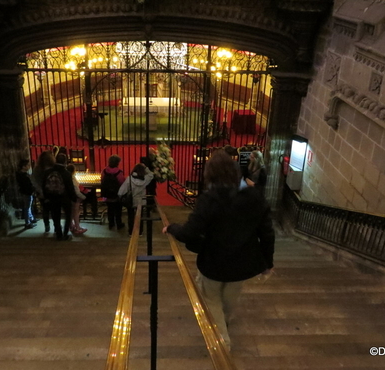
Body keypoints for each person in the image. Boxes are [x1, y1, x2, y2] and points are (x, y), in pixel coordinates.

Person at [162, 149, 275, 349]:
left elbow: (190, 232)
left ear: (210, 174)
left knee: (211, 300)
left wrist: (171, 228)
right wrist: (268, 263)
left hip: (213, 262)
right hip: (242, 264)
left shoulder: (210, 199)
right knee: (230, 299)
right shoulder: (254, 197)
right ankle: (224, 324)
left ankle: (222, 343)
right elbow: (267, 233)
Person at [42, 153, 76, 240]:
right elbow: (70, 187)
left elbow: (44, 185)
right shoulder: (67, 173)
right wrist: (73, 198)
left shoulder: (47, 172)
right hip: (65, 197)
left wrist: (46, 197)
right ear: (65, 161)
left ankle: (58, 233)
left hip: (52, 197)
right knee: (68, 215)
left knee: (55, 216)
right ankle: (65, 233)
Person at [118, 163, 154, 236]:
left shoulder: (129, 179)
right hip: (141, 201)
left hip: (131, 201)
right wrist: (145, 167)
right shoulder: (145, 179)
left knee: (131, 216)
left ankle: (131, 231)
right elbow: (151, 175)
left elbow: (121, 192)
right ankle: (140, 232)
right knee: (140, 216)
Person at [32, 150, 56, 233]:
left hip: (41, 193)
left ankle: (47, 225)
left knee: (45, 209)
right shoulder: (53, 168)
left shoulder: (37, 169)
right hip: (52, 192)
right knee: (54, 210)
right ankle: (56, 226)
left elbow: (34, 181)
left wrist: (40, 191)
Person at [100, 155, 126, 230]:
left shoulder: (104, 171)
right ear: (117, 163)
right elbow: (122, 182)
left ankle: (111, 224)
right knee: (118, 210)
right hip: (116, 195)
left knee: (110, 209)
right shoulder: (119, 172)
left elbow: (102, 180)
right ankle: (119, 224)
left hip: (107, 195)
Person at [66, 163, 87, 235]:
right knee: (76, 212)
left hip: (69, 197)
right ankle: (77, 228)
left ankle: (71, 226)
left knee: (71, 212)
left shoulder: (67, 178)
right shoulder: (72, 179)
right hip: (75, 198)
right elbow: (76, 191)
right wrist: (84, 197)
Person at [15, 159, 36, 229]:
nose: (29, 166)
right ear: (23, 167)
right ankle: (27, 223)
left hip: (25, 192)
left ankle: (31, 218)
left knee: (28, 206)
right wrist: (32, 190)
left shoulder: (20, 175)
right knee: (27, 207)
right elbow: (28, 186)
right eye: (27, 165)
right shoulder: (24, 177)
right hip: (27, 193)